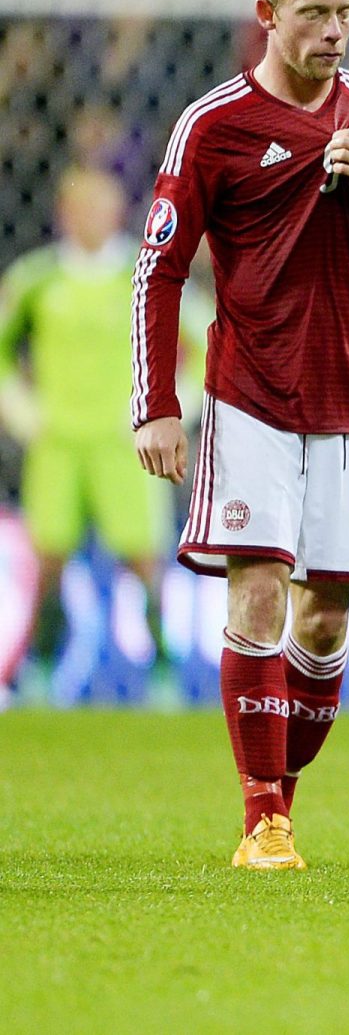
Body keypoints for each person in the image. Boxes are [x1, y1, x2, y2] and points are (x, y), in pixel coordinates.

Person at [131, 0, 349, 872]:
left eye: (345, 14)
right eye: (314, 12)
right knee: (261, 590)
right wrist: (156, 403)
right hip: (249, 394)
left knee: (324, 620)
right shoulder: (214, 124)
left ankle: (284, 782)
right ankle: (262, 815)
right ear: (268, 13)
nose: (333, 31)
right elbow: (159, 267)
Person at [0, 169, 202, 705]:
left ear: (118, 213)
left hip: (125, 445)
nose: (90, 218)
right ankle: (40, 671)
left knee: (144, 561)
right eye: (79, 207)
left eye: (101, 207)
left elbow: (210, 341)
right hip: (57, 444)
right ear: (62, 214)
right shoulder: (35, 279)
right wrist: (22, 410)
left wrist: (169, 408)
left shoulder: (146, 272)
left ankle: (164, 673)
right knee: (47, 563)